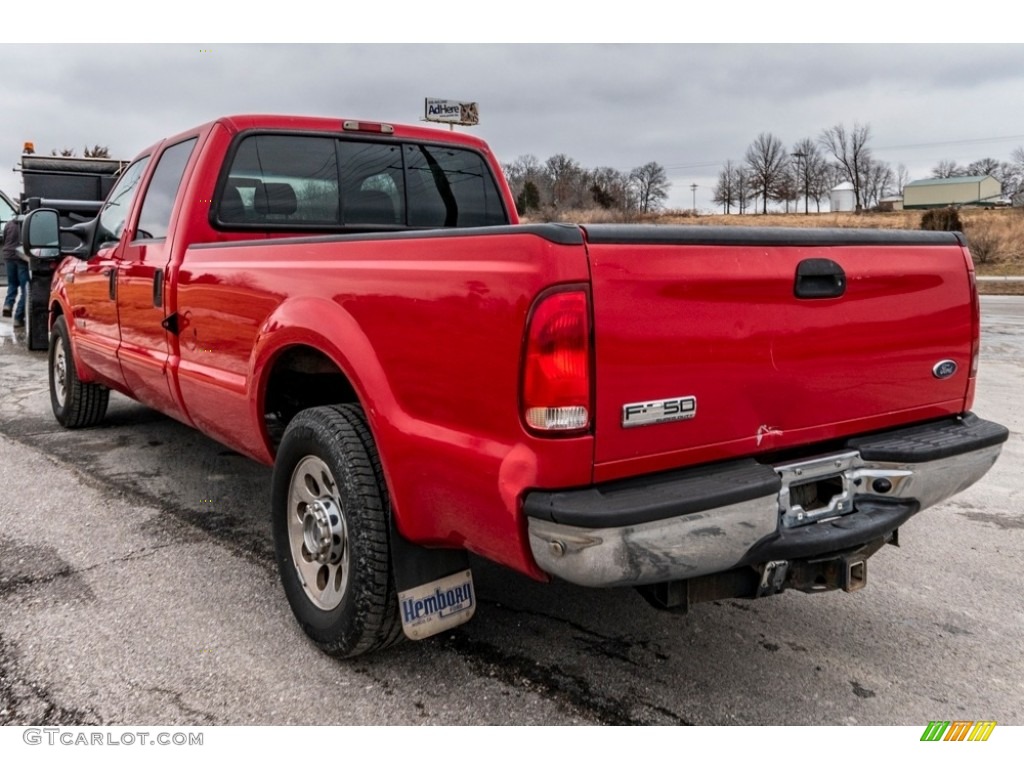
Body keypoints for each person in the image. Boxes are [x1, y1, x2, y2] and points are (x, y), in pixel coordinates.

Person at [2, 215, 28, 327]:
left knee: (12, 284)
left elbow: (4, 238)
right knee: (25, 288)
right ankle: (18, 317)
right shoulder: (27, 223)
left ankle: (8, 304)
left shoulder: (8, 224)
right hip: (21, 258)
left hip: (8, 256)